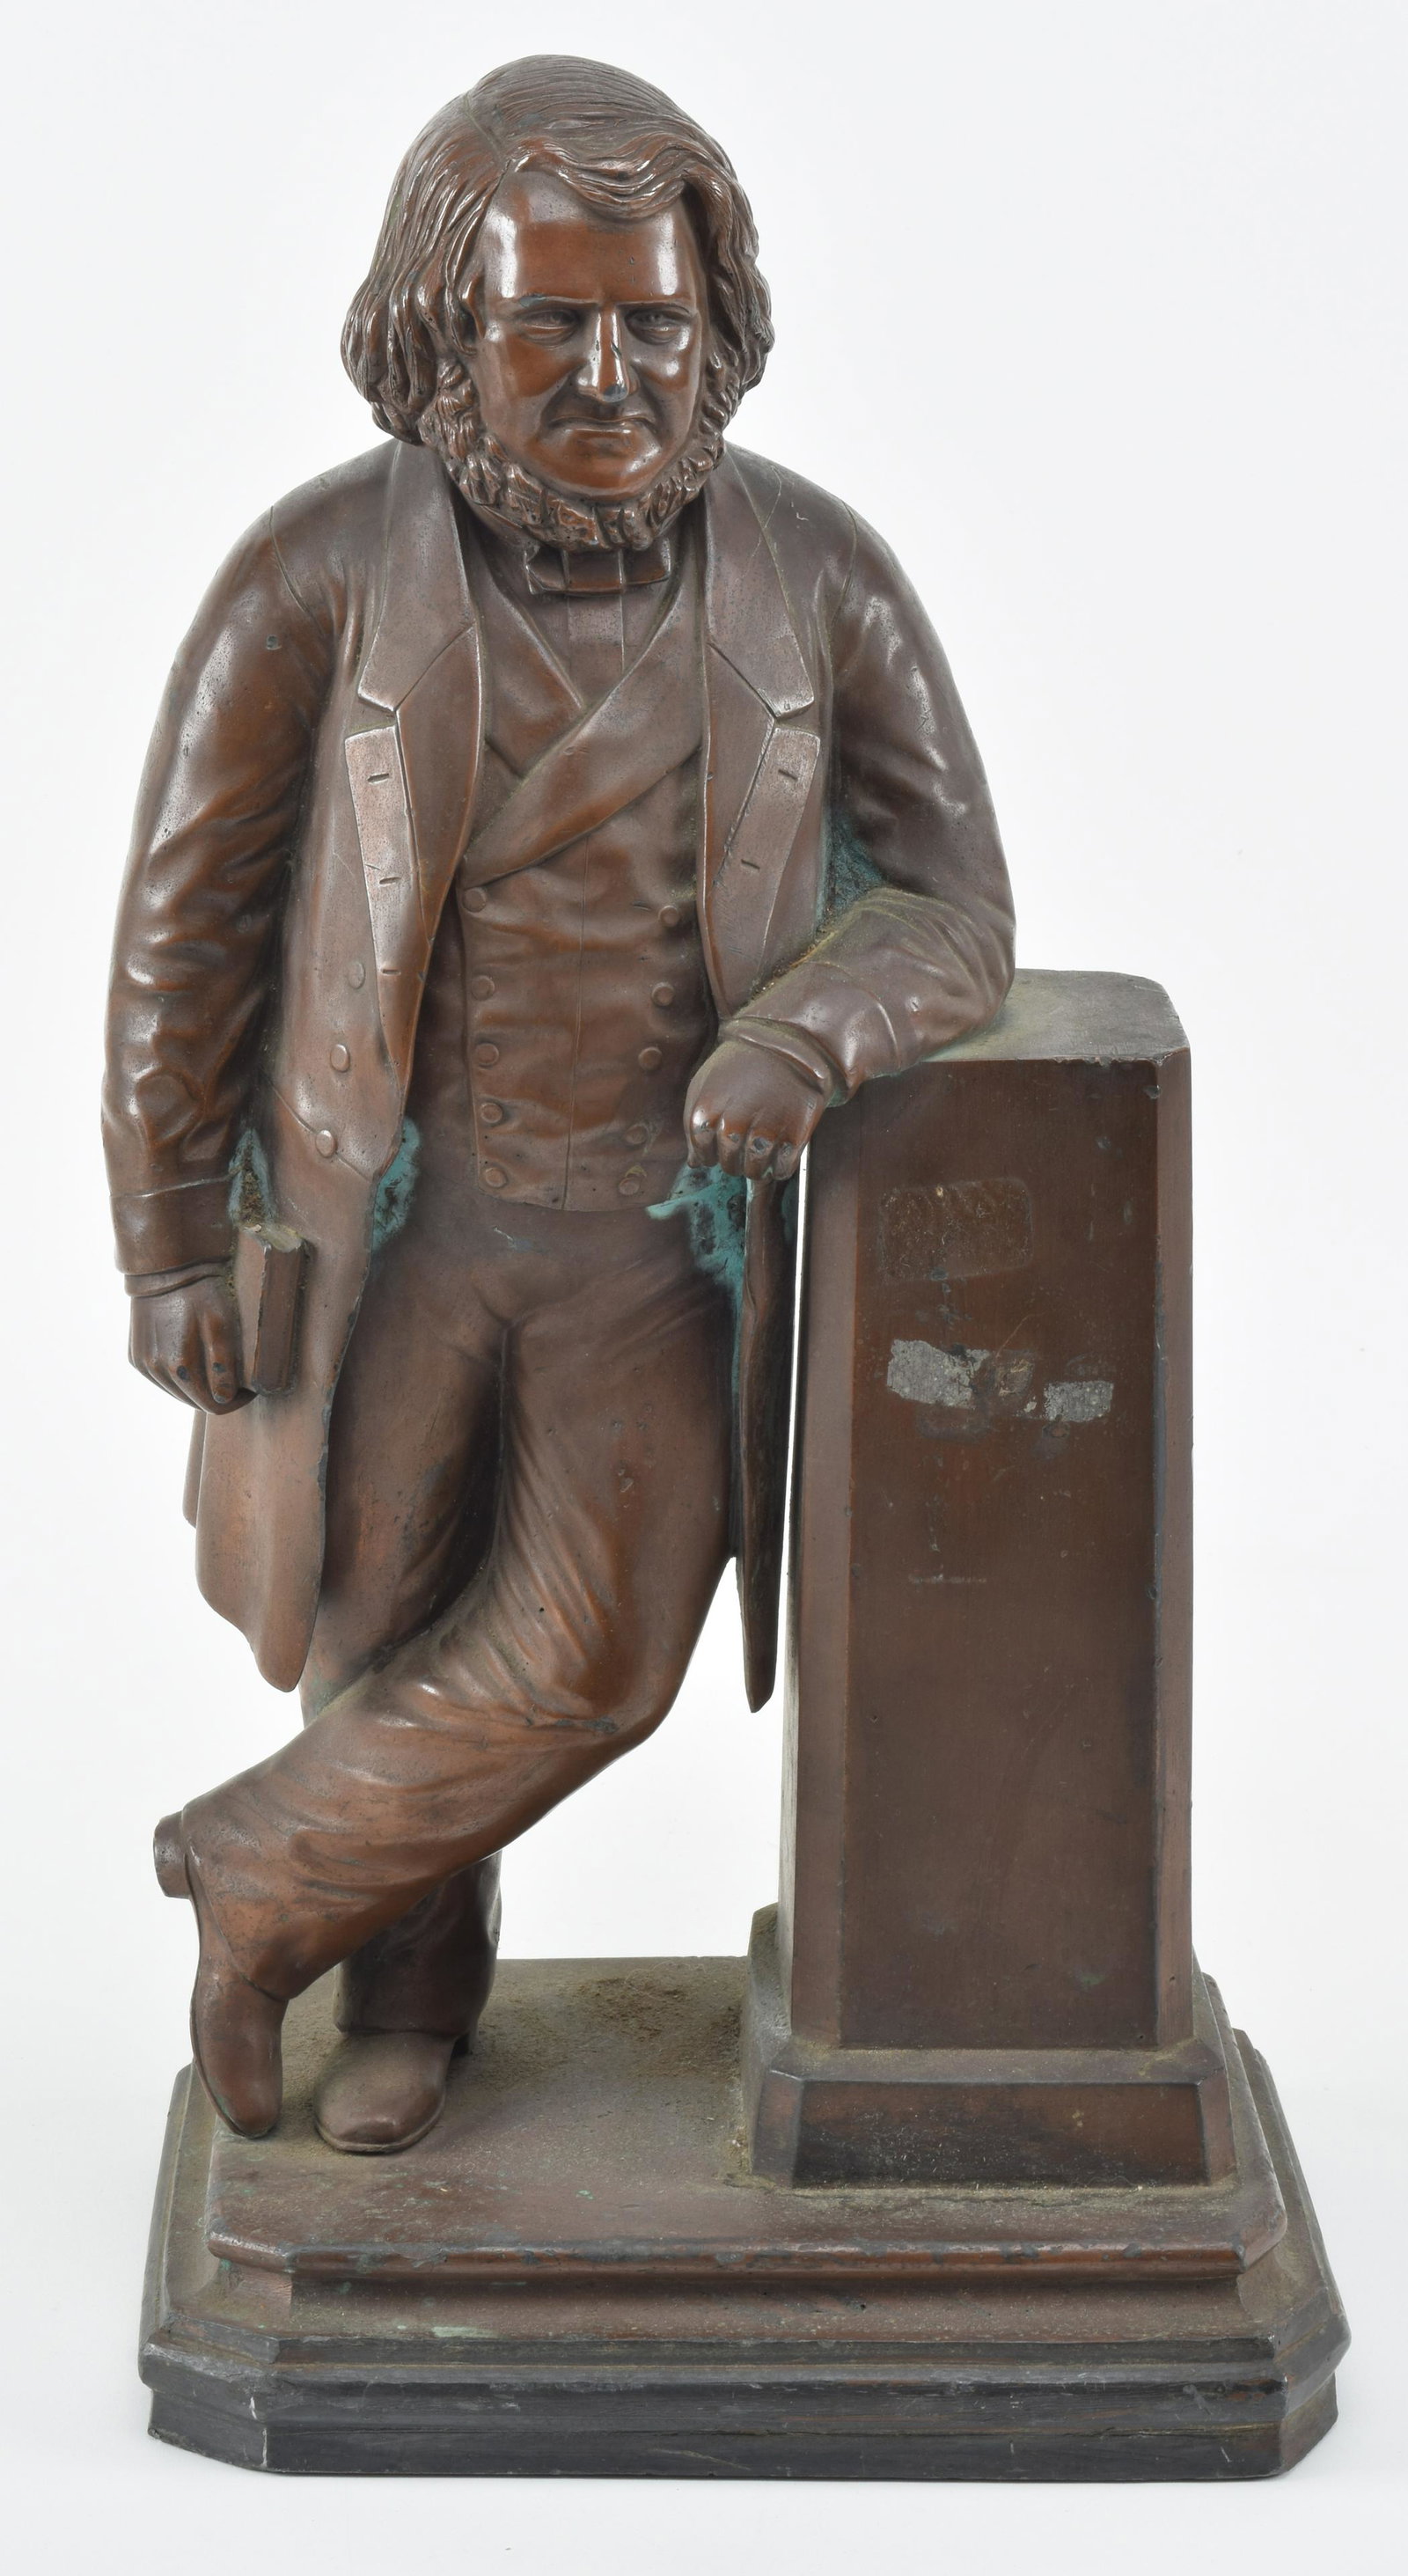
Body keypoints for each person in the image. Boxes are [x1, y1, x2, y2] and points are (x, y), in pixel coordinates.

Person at [105, 55, 1015, 2154]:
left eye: (653, 326)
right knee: (377, 1614)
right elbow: (185, 932)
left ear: (716, 335)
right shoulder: (312, 582)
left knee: (601, 1657)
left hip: (655, 1246)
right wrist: (163, 1242)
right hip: (395, 1221)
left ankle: (257, 1876)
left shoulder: (817, 582)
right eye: (551, 322)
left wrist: (803, 1037)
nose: (612, 374)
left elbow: (952, 904)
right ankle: (400, 1995)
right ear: (445, 328)